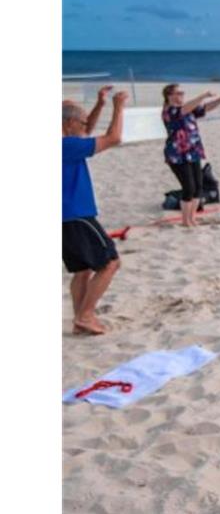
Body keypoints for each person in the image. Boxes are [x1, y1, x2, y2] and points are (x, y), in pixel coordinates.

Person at [63, 88, 128, 335]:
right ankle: (86, 314)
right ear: (68, 123)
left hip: (64, 217)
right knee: (110, 263)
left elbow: (86, 132)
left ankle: (79, 319)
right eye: (81, 122)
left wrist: (99, 104)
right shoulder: (67, 145)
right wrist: (118, 107)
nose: (85, 126)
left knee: (82, 270)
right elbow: (113, 137)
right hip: (76, 214)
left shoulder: (65, 142)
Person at [161, 84, 220, 227]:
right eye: (178, 93)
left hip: (194, 152)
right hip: (177, 154)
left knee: (198, 187)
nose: (181, 96)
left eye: (182, 93)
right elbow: (184, 110)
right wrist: (203, 95)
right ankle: (185, 221)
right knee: (188, 187)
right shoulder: (169, 111)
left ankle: (192, 218)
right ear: (169, 96)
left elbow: (205, 108)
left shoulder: (188, 109)